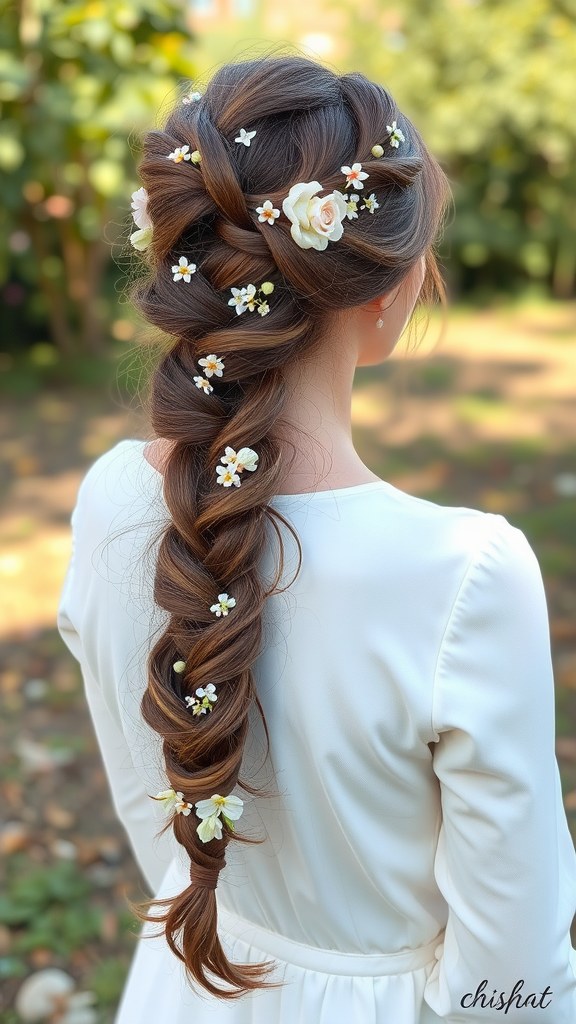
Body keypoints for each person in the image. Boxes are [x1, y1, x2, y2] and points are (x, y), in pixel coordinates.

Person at [57, 53, 576, 1024]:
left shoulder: (109, 500)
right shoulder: (463, 577)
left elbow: (149, 805)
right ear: (384, 287)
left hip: (190, 975)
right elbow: (515, 978)